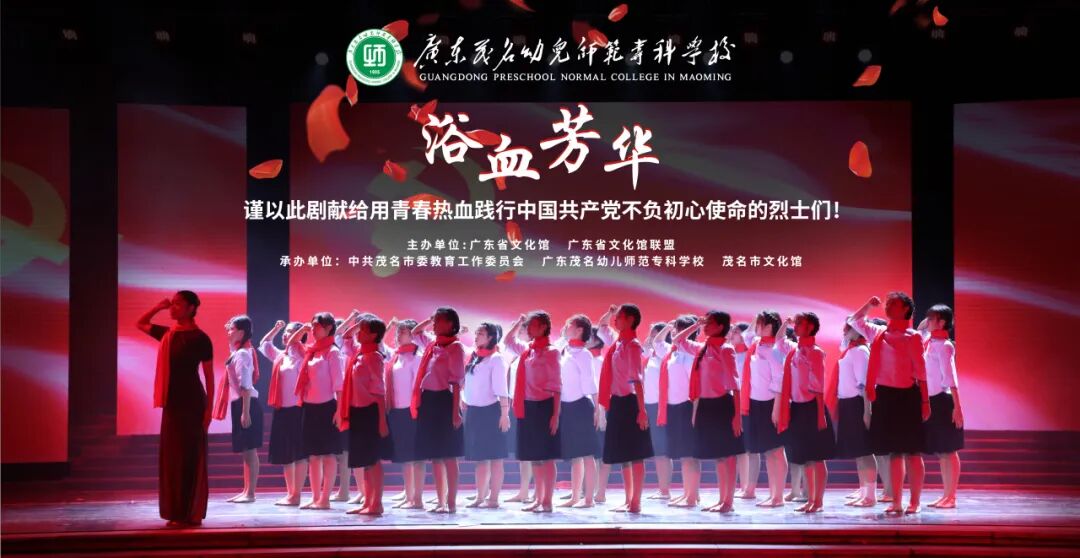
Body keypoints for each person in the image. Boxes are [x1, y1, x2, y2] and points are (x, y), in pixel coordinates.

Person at [136, 291, 214, 527]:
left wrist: (209, 410)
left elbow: (209, 378)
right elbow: (140, 323)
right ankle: (177, 512)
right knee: (174, 458)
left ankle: (192, 512)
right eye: (172, 304)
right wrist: (158, 306)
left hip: (193, 403)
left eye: (178, 304)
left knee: (191, 456)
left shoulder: (201, 338)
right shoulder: (168, 335)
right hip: (172, 404)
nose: (173, 307)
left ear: (191, 308)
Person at [849, 293, 931, 515]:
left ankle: (915, 501)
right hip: (885, 396)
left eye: (894, 303)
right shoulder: (878, 333)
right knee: (894, 453)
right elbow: (855, 321)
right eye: (888, 303)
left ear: (905, 309)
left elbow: (921, 372)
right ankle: (896, 501)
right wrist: (868, 304)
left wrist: (925, 401)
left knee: (912, 453)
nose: (888, 306)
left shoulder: (913, 337)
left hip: (908, 396)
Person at [673, 311, 744, 513]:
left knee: (728, 456)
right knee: (719, 457)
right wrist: (696, 325)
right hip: (705, 405)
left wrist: (737, 416)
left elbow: (735, 385)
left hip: (722, 405)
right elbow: (678, 340)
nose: (706, 326)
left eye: (710, 323)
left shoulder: (726, 349)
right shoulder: (702, 348)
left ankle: (728, 501)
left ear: (721, 326)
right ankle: (722, 500)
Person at [596, 303, 654, 514]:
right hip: (618, 402)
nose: (615, 320)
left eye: (619, 317)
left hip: (631, 402)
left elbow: (636, 379)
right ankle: (628, 499)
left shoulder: (633, 346)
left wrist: (641, 410)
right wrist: (610, 312)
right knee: (623, 454)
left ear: (630, 320)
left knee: (636, 454)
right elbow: (602, 327)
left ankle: (636, 501)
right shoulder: (618, 343)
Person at [775, 314, 835, 513]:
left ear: (810, 327)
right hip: (798, 408)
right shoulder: (794, 350)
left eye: (801, 323)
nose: (797, 326)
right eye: (797, 323)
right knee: (806, 457)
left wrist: (820, 414)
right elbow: (779, 340)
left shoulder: (816, 352)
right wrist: (786, 323)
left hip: (812, 408)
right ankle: (810, 499)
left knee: (817, 457)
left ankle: (818, 501)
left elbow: (818, 384)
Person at [410, 307, 467, 514]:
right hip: (428, 401)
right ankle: (440, 501)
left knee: (449, 455)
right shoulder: (433, 345)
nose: (434, 324)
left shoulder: (455, 347)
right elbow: (415, 332)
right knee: (435, 455)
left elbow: (456, 382)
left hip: (445, 401)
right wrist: (429, 319)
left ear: (451, 324)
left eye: (438, 321)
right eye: (434, 321)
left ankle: (451, 502)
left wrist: (455, 412)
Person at [506, 311, 563, 513]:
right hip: (528, 406)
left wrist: (555, 415)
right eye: (528, 326)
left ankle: (547, 500)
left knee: (546, 457)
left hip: (545, 406)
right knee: (535, 457)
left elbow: (556, 385)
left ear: (544, 327)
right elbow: (508, 341)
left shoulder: (552, 352)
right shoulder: (527, 351)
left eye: (533, 325)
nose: (529, 329)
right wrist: (518, 323)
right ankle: (538, 498)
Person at [337, 315, 391, 516]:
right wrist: (358, 321)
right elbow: (345, 337)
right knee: (365, 461)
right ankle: (368, 501)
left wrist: (382, 421)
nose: (358, 333)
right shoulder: (359, 354)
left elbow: (379, 391)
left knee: (373, 460)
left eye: (363, 330)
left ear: (374, 335)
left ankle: (377, 503)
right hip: (357, 412)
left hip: (370, 412)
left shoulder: (374, 357)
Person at [292, 312, 344, 510]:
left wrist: (339, 411)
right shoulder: (311, 351)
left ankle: (325, 499)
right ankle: (315, 497)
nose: (313, 329)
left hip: (327, 407)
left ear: (329, 327)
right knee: (313, 456)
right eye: (312, 325)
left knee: (328, 455)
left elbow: (338, 384)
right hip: (309, 407)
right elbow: (292, 343)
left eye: (316, 326)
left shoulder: (333, 352)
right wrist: (303, 330)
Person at [740, 310, 789, 507]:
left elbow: (779, 380)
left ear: (770, 326)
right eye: (758, 323)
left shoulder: (775, 349)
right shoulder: (755, 344)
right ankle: (772, 494)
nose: (757, 327)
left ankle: (779, 496)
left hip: (771, 403)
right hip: (755, 403)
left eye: (762, 324)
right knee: (768, 452)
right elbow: (747, 334)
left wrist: (776, 409)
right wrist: (758, 318)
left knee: (776, 450)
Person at [918, 305, 965, 509]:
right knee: (941, 452)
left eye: (932, 318)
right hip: (932, 401)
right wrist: (929, 321)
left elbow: (951, 377)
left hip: (944, 401)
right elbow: (920, 329)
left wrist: (957, 407)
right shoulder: (929, 342)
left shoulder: (945, 346)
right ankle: (946, 495)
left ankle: (951, 496)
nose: (928, 321)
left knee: (949, 450)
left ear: (942, 322)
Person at [259, 320, 309, 506]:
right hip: (282, 410)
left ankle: (297, 494)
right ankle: (290, 494)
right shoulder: (281, 356)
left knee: (299, 454)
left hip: (298, 409)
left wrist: (302, 330)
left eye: (289, 332)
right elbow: (264, 344)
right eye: (285, 332)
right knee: (286, 454)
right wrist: (276, 329)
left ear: (299, 335)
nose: (286, 335)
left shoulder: (305, 356)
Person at [461, 322, 511, 509]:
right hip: (474, 412)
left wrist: (504, 414)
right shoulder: (475, 357)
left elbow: (502, 389)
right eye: (476, 333)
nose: (476, 336)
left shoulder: (496, 359)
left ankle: (494, 498)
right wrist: (464, 399)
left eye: (480, 333)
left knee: (495, 458)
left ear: (490, 337)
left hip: (491, 412)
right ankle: (480, 496)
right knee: (480, 459)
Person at [829, 322, 877, 507]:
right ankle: (864, 492)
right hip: (847, 404)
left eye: (850, 327)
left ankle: (870, 495)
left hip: (857, 404)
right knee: (858, 452)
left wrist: (867, 411)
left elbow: (864, 384)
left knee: (865, 451)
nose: (845, 330)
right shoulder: (850, 350)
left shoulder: (860, 351)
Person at [555, 314, 600, 508]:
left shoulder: (584, 354)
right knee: (575, 455)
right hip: (566, 407)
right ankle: (575, 496)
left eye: (570, 325)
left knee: (587, 455)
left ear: (580, 330)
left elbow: (591, 383)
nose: (566, 327)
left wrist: (597, 410)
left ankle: (589, 499)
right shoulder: (565, 350)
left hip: (581, 406)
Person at [217, 315, 263, 504]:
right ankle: (246, 491)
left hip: (247, 403)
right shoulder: (237, 352)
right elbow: (232, 351)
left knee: (250, 451)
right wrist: (229, 330)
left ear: (242, 332)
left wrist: (245, 411)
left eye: (232, 329)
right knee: (246, 451)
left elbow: (245, 384)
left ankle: (250, 493)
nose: (228, 332)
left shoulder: (243, 354)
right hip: (241, 403)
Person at [657, 316, 700, 508]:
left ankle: (692, 496)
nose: (674, 331)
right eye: (674, 328)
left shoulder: (690, 356)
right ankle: (688, 493)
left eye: (677, 328)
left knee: (689, 455)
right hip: (673, 408)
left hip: (686, 407)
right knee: (683, 455)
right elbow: (656, 342)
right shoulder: (673, 354)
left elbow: (696, 387)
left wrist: (695, 413)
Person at [383, 318, 425, 509]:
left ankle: (417, 499)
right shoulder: (396, 357)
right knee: (404, 457)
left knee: (415, 457)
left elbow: (418, 387)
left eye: (403, 332)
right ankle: (409, 495)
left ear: (413, 334)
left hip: (412, 411)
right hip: (396, 411)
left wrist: (416, 410)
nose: (399, 335)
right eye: (398, 331)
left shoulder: (417, 358)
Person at [643, 322, 673, 500]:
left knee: (662, 450)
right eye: (651, 334)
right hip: (650, 405)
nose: (651, 338)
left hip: (661, 406)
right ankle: (663, 488)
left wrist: (667, 328)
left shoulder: (665, 352)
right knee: (659, 450)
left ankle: (664, 490)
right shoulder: (651, 355)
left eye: (654, 334)